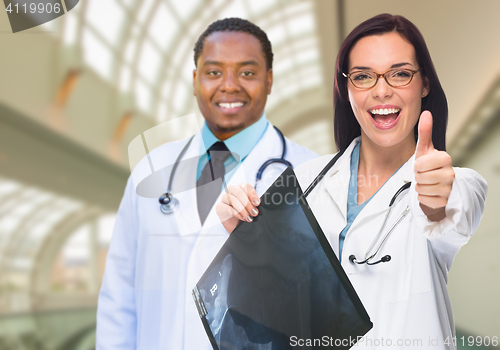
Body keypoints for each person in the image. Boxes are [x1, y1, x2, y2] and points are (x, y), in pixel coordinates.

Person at [217, 14, 487, 349]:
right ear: (347, 89)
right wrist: (246, 239)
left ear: (425, 84)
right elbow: (277, 301)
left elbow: (453, 213)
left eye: (400, 74)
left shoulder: (457, 183)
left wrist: (436, 204)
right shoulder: (304, 181)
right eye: (363, 77)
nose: (382, 91)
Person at [96, 18, 317, 349]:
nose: (229, 85)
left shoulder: (309, 173)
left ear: (269, 81)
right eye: (214, 72)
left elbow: (318, 305)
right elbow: (118, 297)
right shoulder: (151, 170)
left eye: (247, 72)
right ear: (195, 80)